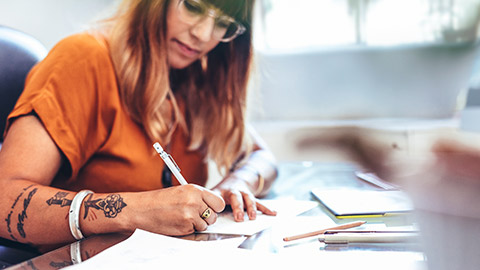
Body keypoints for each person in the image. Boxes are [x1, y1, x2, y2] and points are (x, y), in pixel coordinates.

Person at [0, 0, 277, 250]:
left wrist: (238, 183)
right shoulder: (83, 59)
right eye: (193, 7)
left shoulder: (195, 80)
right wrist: (137, 211)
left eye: (224, 24)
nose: (203, 35)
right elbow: (4, 200)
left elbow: (262, 156)